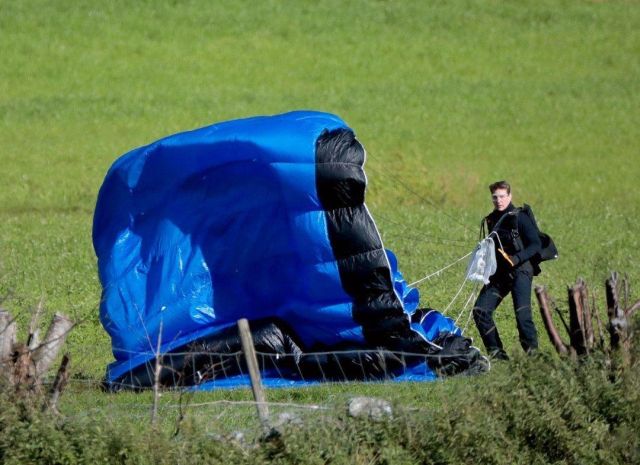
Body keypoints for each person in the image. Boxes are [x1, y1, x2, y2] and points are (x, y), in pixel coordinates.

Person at [472, 181, 541, 360]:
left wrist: (516, 259)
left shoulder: (520, 217)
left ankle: (533, 359)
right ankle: (498, 357)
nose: (499, 200)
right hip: (500, 274)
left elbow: (536, 244)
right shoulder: (491, 219)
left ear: (509, 196)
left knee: (522, 315)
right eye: (495, 197)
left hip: (521, 270)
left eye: (502, 196)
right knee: (480, 310)